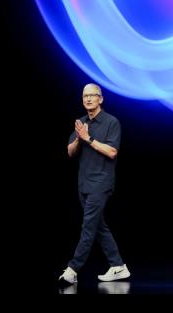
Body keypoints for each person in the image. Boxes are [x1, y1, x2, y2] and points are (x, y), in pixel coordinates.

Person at [59, 83, 130, 285]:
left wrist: (88, 138)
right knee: (98, 226)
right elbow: (70, 152)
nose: (88, 99)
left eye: (92, 95)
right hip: (84, 184)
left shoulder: (111, 122)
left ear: (101, 98)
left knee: (88, 227)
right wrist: (78, 139)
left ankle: (72, 269)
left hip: (101, 183)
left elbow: (112, 152)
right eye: (85, 96)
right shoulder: (81, 123)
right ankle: (118, 266)